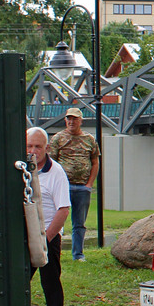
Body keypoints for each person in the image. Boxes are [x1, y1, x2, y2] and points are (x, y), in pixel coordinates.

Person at [25, 126, 70, 306]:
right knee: (19, 284)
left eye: (38, 146)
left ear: (47, 148)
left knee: (50, 285)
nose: (33, 151)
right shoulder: (22, 168)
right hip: (24, 236)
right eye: (29, 146)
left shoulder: (56, 172)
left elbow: (63, 210)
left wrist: (45, 239)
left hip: (47, 237)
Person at [49, 107, 99, 262]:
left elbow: (95, 162)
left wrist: (89, 184)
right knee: (57, 220)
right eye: (69, 119)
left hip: (82, 187)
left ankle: (78, 254)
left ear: (80, 121)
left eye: (75, 119)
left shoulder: (89, 139)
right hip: (63, 187)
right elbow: (51, 162)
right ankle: (52, 251)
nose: (71, 122)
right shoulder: (58, 138)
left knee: (79, 223)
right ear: (65, 120)